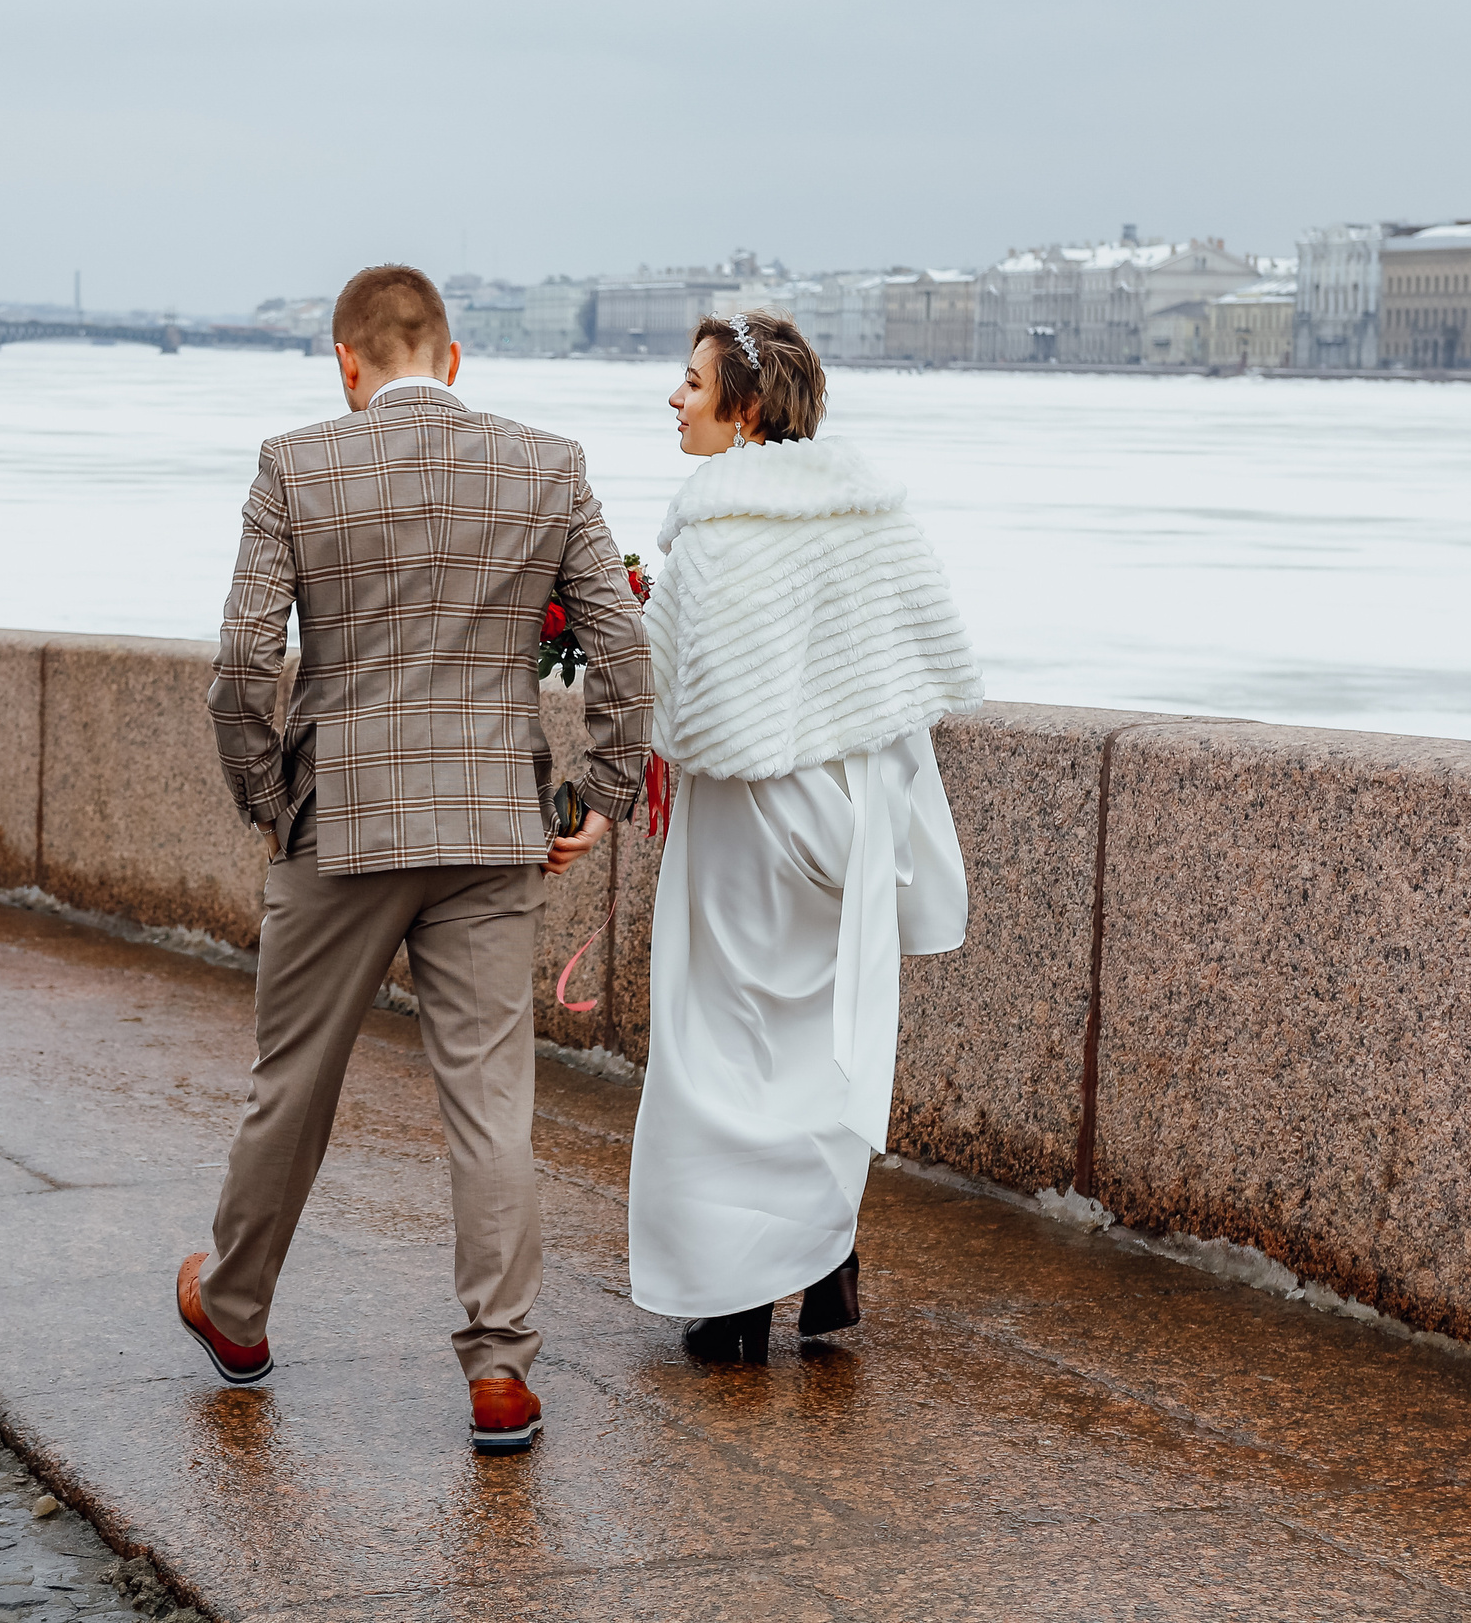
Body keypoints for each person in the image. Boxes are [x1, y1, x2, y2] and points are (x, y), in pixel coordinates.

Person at [181, 265, 652, 1452]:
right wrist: (592, 795)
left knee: (293, 1081)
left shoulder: (296, 465)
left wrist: (265, 796)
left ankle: (235, 1312)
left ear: (346, 365)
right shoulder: (547, 466)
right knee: (491, 1104)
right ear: (452, 358)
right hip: (492, 829)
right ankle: (500, 1371)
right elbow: (623, 655)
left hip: (337, 825)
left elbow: (242, 663)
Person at [627, 309, 984, 1365]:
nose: (674, 400)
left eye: (690, 384)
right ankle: (825, 1262)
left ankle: (737, 1298)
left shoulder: (715, 531)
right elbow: (909, 688)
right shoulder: (875, 520)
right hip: (851, 827)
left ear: (743, 410)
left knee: (718, 1046)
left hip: (746, 822)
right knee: (822, 1048)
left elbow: (674, 705)